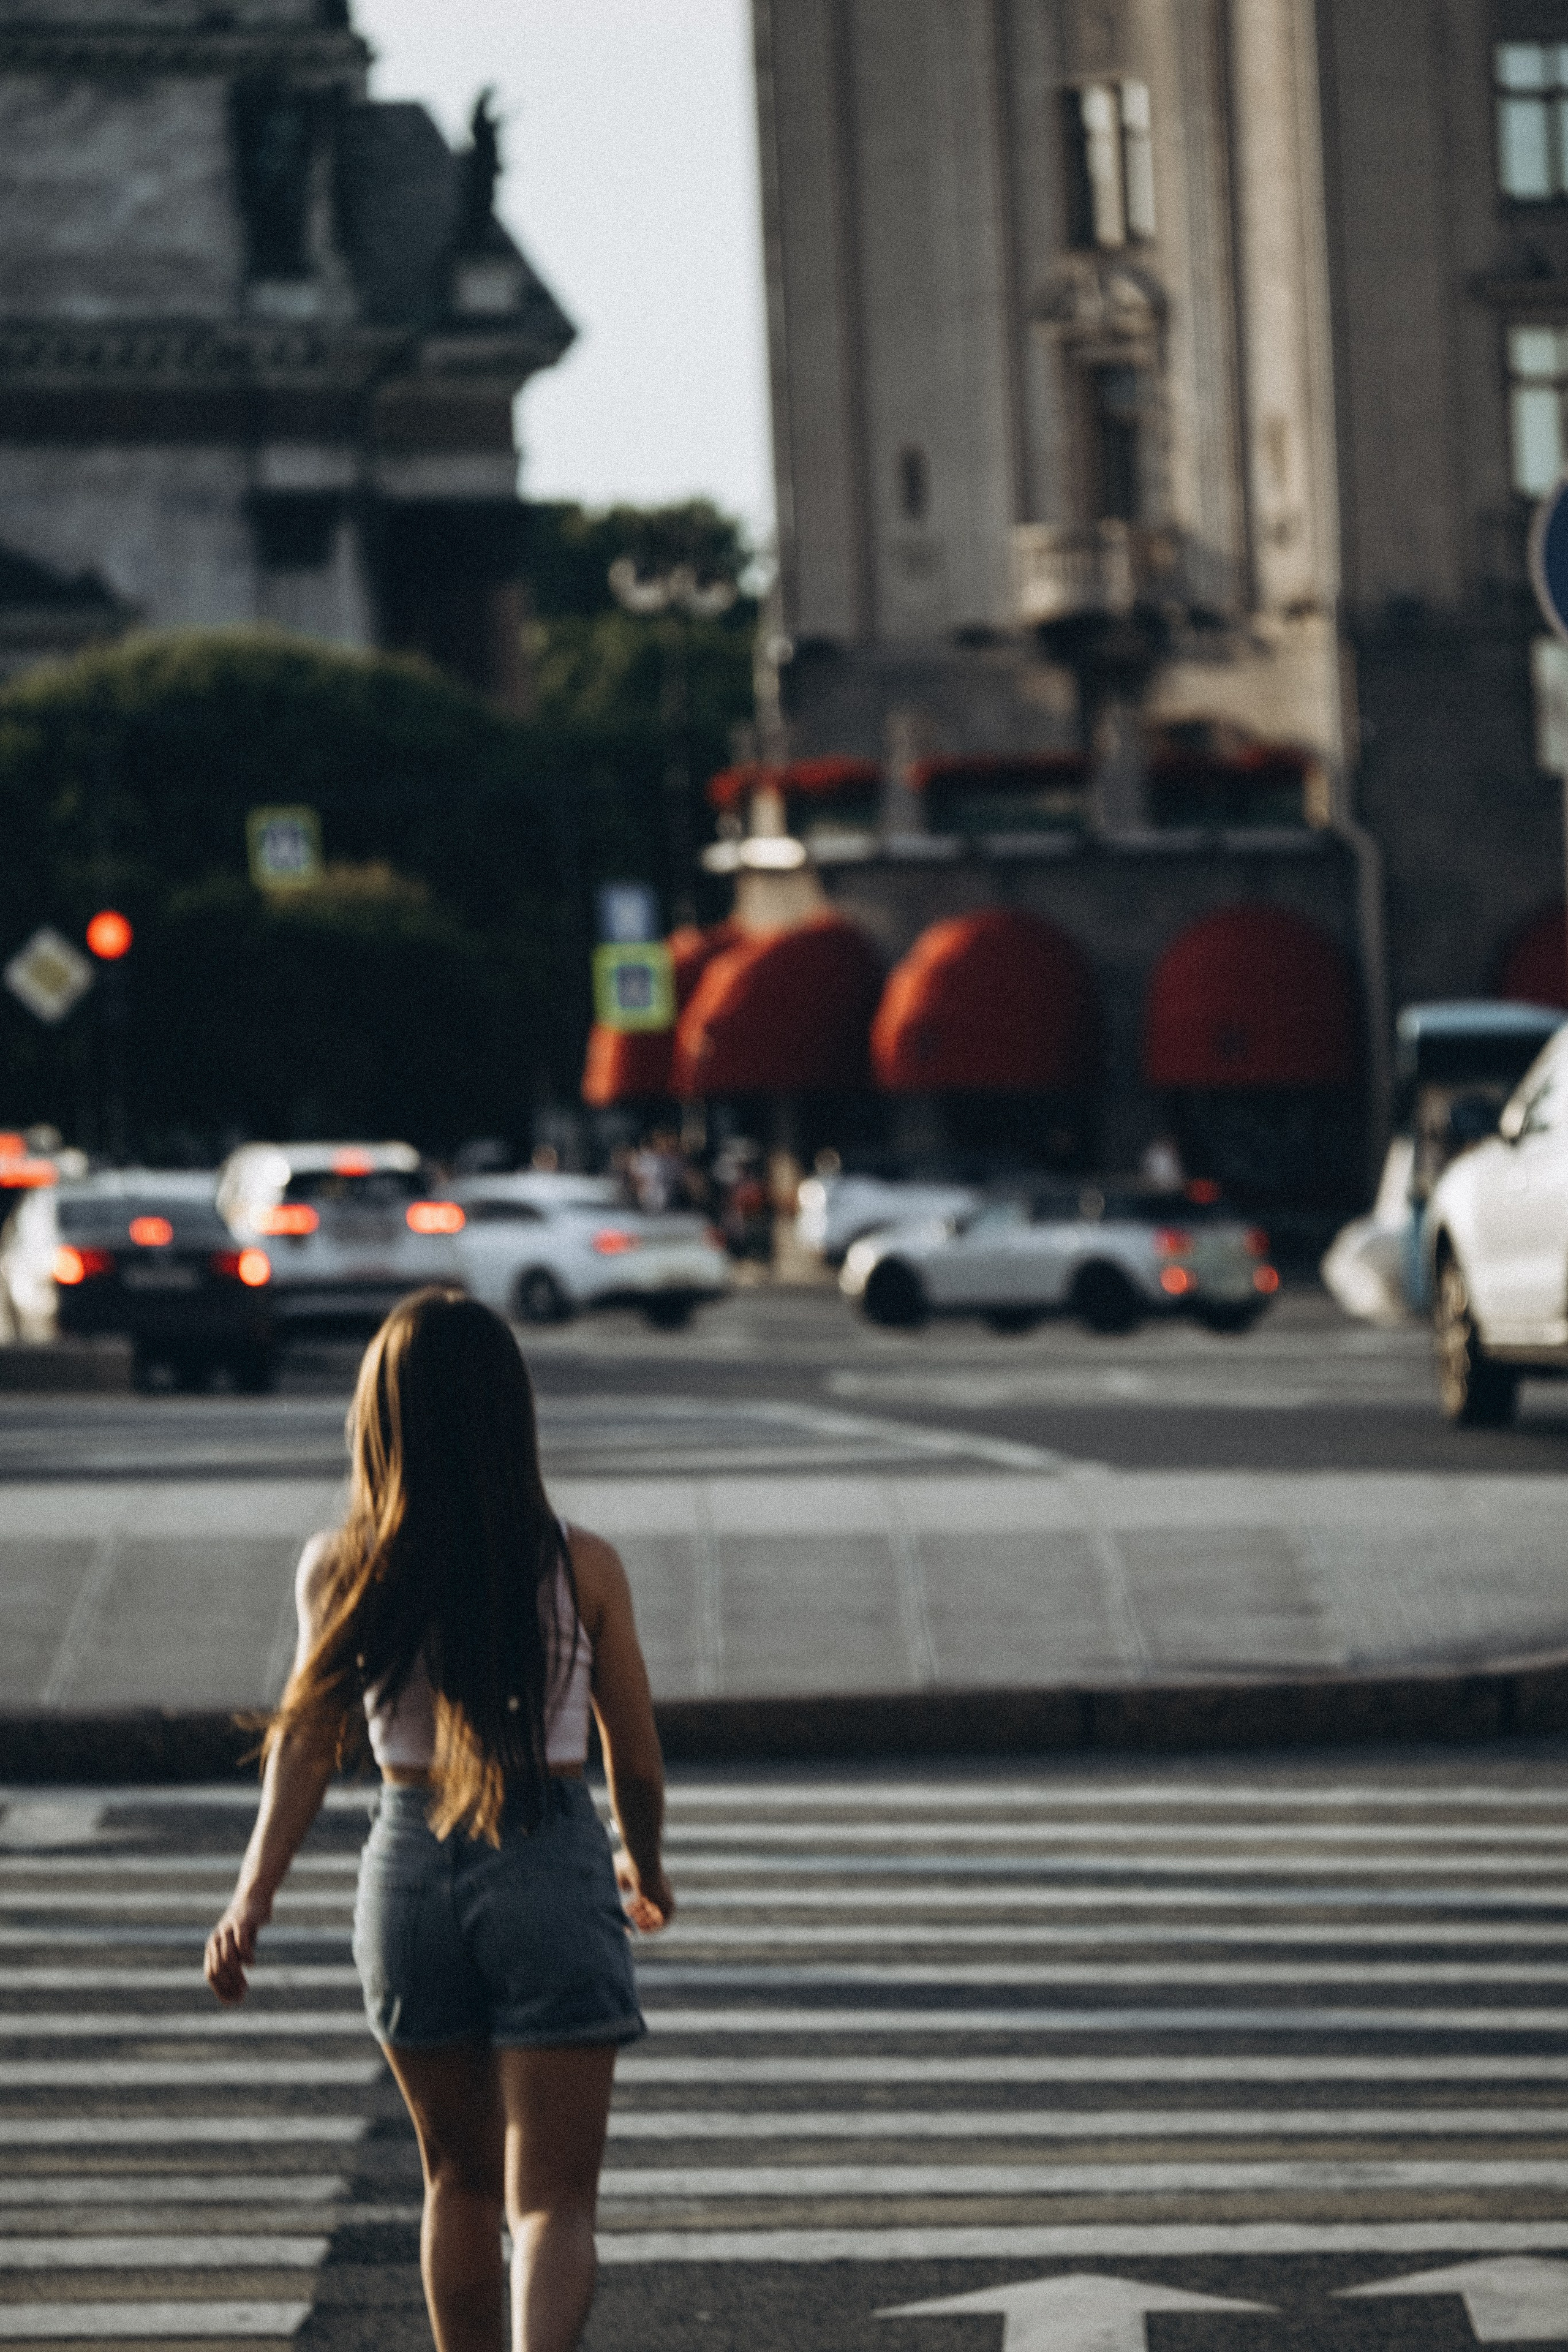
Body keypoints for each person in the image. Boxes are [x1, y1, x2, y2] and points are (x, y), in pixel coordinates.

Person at [205, 1288, 673, 2352]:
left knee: (454, 2180)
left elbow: (306, 1745)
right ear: (514, 1415)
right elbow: (633, 1759)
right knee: (552, 2199)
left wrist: (252, 1898)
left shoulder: (343, 1566)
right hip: (550, 1849)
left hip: (406, 1864)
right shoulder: (580, 1564)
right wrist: (646, 1866)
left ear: (382, 1416)